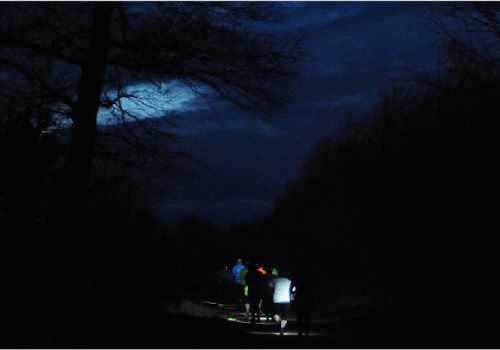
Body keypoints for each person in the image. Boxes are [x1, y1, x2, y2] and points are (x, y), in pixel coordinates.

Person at [291, 262, 314, 336]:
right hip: (307, 299)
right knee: (307, 316)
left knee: (299, 316)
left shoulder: (296, 280)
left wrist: (294, 293)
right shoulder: (309, 280)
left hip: (299, 299)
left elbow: (292, 289)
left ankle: (300, 331)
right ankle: (306, 330)